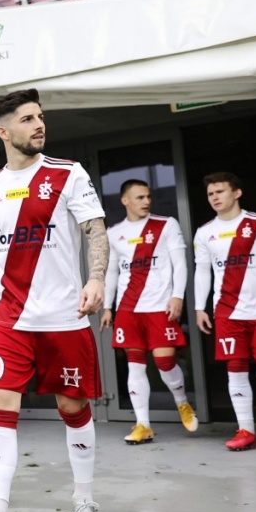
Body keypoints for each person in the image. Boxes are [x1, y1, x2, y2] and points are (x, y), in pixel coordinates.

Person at [0, 88, 108, 512]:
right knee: (0, 403)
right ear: (3, 132)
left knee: (72, 407)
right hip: (9, 317)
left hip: (63, 316)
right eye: (27, 119)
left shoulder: (67, 173)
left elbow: (95, 231)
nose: (39, 125)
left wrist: (97, 278)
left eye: (40, 117)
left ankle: (84, 498)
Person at [193, 171, 256, 450]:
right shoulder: (204, 232)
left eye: (220, 191)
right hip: (226, 312)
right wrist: (199, 307)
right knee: (235, 369)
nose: (214, 197)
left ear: (237, 193)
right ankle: (246, 430)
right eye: (210, 194)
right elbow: (202, 272)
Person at [100, 179, 199, 444]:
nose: (146, 201)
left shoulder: (166, 225)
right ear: (125, 201)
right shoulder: (114, 232)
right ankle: (143, 424)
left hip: (159, 307)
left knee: (165, 363)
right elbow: (111, 272)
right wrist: (108, 306)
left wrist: (177, 296)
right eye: (140, 197)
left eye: (148, 197)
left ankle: (182, 402)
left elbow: (180, 265)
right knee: (135, 365)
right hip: (128, 309)